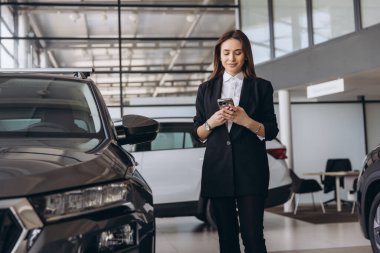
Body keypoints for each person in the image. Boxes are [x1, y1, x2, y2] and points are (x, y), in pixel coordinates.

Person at [193, 29, 279, 253]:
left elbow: (270, 130)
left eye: (238, 53)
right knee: (226, 239)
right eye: (226, 53)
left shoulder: (262, 87)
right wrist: (211, 122)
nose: (231, 58)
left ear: (246, 55)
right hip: (218, 170)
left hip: (251, 171)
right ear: (219, 56)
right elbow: (199, 132)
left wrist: (246, 120)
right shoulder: (206, 89)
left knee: (253, 237)